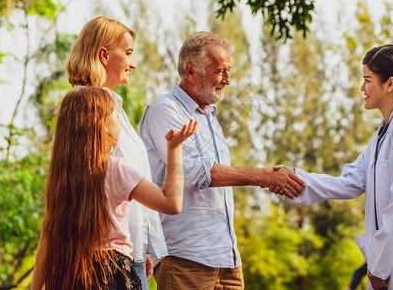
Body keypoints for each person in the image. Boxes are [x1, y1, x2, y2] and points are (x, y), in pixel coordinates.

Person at [139, 31, 306, 289]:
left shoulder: (210, 117)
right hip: (186, 259)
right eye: (220, 71)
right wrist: (264, 176)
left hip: (227, 260)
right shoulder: (165, 108)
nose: (228, 79)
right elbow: (194, 173)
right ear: (191, 72)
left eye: (228, 70)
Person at [271, 44, 393, 289]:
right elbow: (349, 182)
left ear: (390, 83)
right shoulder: (383, 133)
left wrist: (381, 266)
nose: (362, 88)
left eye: (367, 80)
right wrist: (294, 180)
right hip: (387, 267)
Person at [30, 87, 198, 289]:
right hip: (112, 275)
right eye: (116, 115)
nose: (120, 121)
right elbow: (171, 203)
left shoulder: (62, 177)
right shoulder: (114, 169)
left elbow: (46, 238)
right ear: (102, 124)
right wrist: (174, 148)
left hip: (71, 276)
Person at [65, 16, 166, 288]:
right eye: (129, 53)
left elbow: (130, 185)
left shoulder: (116, 108)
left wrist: (143, 245)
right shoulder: (86, 111)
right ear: (104, 55)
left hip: (128, 254)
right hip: (100, 261)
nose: (133, 63)